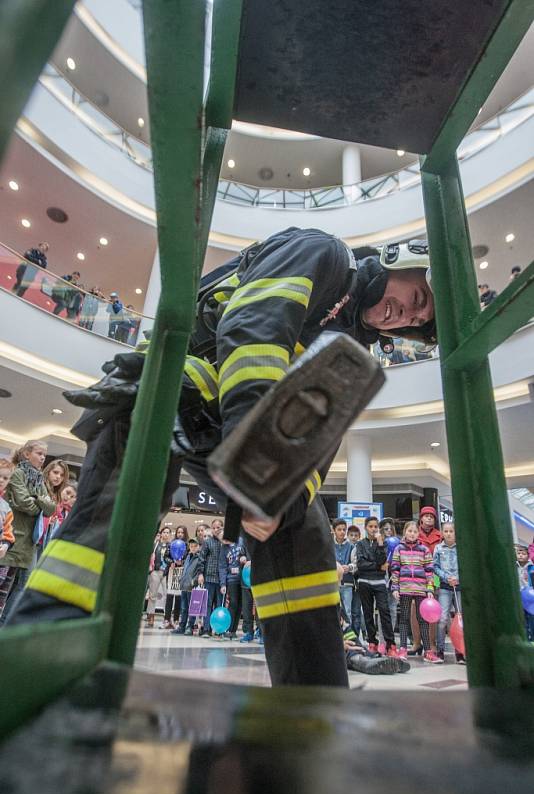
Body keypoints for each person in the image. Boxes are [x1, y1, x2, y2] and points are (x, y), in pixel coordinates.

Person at [10, 230, 437, 687]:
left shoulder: (352, 347)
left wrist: (281, 500)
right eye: (414, 296)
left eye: (415, 319)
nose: (406, 315)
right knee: (111, 523)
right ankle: (26, 681)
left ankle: (313, 709)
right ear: (397, 260)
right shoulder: (325, 256)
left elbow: (317, 445)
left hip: (229, 430)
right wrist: (259, 477)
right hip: (168, 388)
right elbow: (254, 332)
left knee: (303, 534)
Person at [1, 441, 55, 623]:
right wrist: (39, 504)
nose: (42, 458)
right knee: (4, 584)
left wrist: (38, 499)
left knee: (23, 585)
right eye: (39, 453)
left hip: (31, 542)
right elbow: (26, 504)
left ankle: (5, 624)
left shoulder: (39, 479)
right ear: (26, 454)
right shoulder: (17, 474)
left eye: (44, 455)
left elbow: (50, 508)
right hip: (14, 538)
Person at [391, 521, 440, 662]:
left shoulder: (424, 550)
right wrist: (395, 587)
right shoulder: (398, 549)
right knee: (404, 619)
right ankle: (403, 650)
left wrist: (430, 588)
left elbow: (430, 571)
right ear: (405, 532)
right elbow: (395, 569)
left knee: (423, 620)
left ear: (418, 534)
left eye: (414, 531)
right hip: (405, 588)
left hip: (421, 589)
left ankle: (428, 651)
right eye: (409, 531)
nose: (412, 534)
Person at [356, 516, 398, 657]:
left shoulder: (384, 543)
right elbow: (361, 565)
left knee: (384, 612)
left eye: (375, 527)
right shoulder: (360, 544)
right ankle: (372, 642)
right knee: (368, 613)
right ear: (366, 528)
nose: (373, 529)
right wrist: (377, 566)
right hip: (364, 582)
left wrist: (380, 545)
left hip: (379, 582)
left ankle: (390, 645)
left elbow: (383, 561)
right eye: (370, 526)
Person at [409, 505, 442, 655]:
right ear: (421, 518)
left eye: (432, 516)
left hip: (433, 575)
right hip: (414, 574)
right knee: (414, 610)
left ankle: (431, 643)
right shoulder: (414, 534)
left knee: (432, 609)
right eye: (426, 515)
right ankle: (416, 642)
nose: (429, 518)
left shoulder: (440, 536)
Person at [433, 521, 464, 662]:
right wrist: (446, 577)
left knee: (460, 619)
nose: (449, 534)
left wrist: (458, 578)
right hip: (445, 587)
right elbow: (435, 567)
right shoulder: (438, 548)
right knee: (443, 619)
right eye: (446, 531)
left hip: (459, 588)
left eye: (451, 531)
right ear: (442, 533)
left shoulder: (462, 548)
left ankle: (460, 651)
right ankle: (440, 650)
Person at [197, 524, 224, 637]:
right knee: (207, 605)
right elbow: (201, 558)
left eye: (218, 527)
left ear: (222, 528)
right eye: (214, 527)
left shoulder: (225, 543)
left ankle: (218, 629)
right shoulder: (207, 542)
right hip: (208, 577)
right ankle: (206, 629)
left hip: (221, 580)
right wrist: (200, 574)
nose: (216, 529)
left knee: (219, 605)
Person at [219, 537, 247, 639]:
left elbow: (247, 553)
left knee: (240, 604)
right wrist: (223, 584)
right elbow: (222, 566)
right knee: (233, 603)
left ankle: (233, 631)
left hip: (243, 577)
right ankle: (229, 629)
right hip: (231, 579)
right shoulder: (224, 548)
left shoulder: (241, 541)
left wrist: (245, 558)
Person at [173, 537, 201, 635]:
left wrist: (194, 582)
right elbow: (185, 569)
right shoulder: (188, 556)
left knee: (192, 608)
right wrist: (182, 579)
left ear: (199, 547)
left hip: (192, 586)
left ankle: (190, 626)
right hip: (184, 585)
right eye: (191, 546)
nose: (193, 548)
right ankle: (182, 626)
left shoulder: (199, 558)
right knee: (183, 608)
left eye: (195, 546)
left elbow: (200, 572)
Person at [146, 527, 172, 627]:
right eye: (164, 532)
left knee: (168, 594)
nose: (165, 534)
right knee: (152, 595)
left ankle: (167, 618)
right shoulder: (156, 545)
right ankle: (151, 615)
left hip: (167, 572)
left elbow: (173, 559)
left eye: (167, 532)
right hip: (155, 571)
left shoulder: (171, 546)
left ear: (170, 534)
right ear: (161, 534)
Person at [0, 459, 16, 618]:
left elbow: (8, 532)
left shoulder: (6, 507)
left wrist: (5, 545)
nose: (1, 480)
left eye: (5, 478)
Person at [333, 518, 354, 626]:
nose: (342, 532)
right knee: (334, 612)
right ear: (333, 530)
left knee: (348, 611)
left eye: (344, 529)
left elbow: (356, 562)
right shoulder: (329, 545)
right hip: (333, 583)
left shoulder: (351, 545)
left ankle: (348, 638)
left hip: (347, 583)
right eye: (339, 529)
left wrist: (350, 567)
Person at [516, 544, 534, 642]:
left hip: (530, 598)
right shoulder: (514, 566)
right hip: (519, 596)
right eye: (519, 553)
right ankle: (525, 639)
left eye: (523, 553)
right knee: (522, 619)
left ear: (528, 555)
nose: (521, 555)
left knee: (531, 618)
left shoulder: (531, 567)